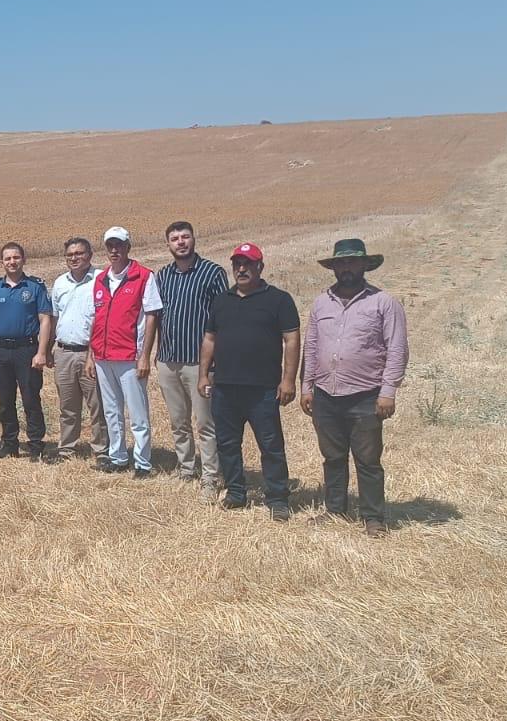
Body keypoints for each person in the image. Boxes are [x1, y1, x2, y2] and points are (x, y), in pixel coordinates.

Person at [300, 239, 409, 538]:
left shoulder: (383, 302)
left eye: (352, 261)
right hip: (326, 394)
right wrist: (307, 387)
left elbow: (397, 349)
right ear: (333, 267)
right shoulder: (321, 303)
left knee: (368, 460)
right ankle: (335, 510)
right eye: (341, 262)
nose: (346, 267)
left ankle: (373, 518)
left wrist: (388, 392)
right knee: (333, 457)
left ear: (364, 264)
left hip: (365, 395)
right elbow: (311, 347)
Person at [197, 243, 301, 520]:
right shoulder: (222, 300)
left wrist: (288, 380)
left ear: (260, 267)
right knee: (227, 444)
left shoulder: (279, 300)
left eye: (248, 264)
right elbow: (210, 339)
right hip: (225, 387)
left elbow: (291, 340)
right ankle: (235, 492)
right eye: (237, 264)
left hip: (263, 389)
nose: (241, 269)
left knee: (271, 446)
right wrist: (203, 374)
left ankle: (277, 498)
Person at [153, 220, 229, 492]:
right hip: (168, 359)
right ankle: (186, 467)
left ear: (194, 239)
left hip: (200, 364)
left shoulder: (212, 273)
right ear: (168, 244)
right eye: (175, 239)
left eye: (185, 237)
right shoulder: (163, 276)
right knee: (178, 421)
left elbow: (224, 318)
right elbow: (157, 317)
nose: (181, 242)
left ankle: (211, 475)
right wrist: (157, 353)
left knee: (206, 423)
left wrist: (215, 362)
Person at [86, 226, 163, 476]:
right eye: (110, 245)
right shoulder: (100, 279)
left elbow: (151, 317)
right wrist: (91, 355)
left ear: (128, 247)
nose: (114, 250)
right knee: (111, 411)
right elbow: (96, 317)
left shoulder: (143, 276)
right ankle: (118, 457)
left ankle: (142, 462)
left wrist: (145, 356)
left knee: (137, 413)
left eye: (119, 245)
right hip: (103, 356)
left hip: (130, 356)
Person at [0, 243, 54, 459]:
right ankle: (9, 443)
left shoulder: (35, 287)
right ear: (1, 262)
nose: (12, 262)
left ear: (23, 259)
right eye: (7, 258)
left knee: (30, 398)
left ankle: (36, 445)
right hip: (0, 350)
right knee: (5, 400)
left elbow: (45, 320)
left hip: (27, 350)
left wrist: (41, 352)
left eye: (16, 257)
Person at [50, 237, 108, 464]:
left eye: (79, 253)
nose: (74, 258)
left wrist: (93, 353)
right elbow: (55, 318)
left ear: (90, 255)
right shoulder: (59, 283)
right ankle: (66, 449)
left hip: (91, 353)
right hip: (64, 352)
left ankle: (102, 451)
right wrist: (49, 348)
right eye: (70, 255)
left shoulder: (101, 279)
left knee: (97, 405)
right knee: (67, 406)